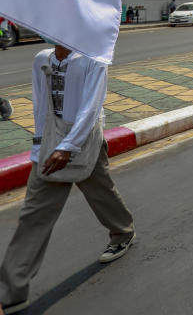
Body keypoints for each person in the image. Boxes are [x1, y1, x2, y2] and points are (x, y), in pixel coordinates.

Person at [0, 41, 136, 314]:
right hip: (50, 145)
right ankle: (10, 291)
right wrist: (40, 147)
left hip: (85, 142)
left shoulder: (92, 60)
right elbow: (40, 108)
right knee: (34, 214)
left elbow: (92, 109)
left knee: (101, 192)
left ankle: (122, 232)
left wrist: (68, 147)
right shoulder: (42, 59)